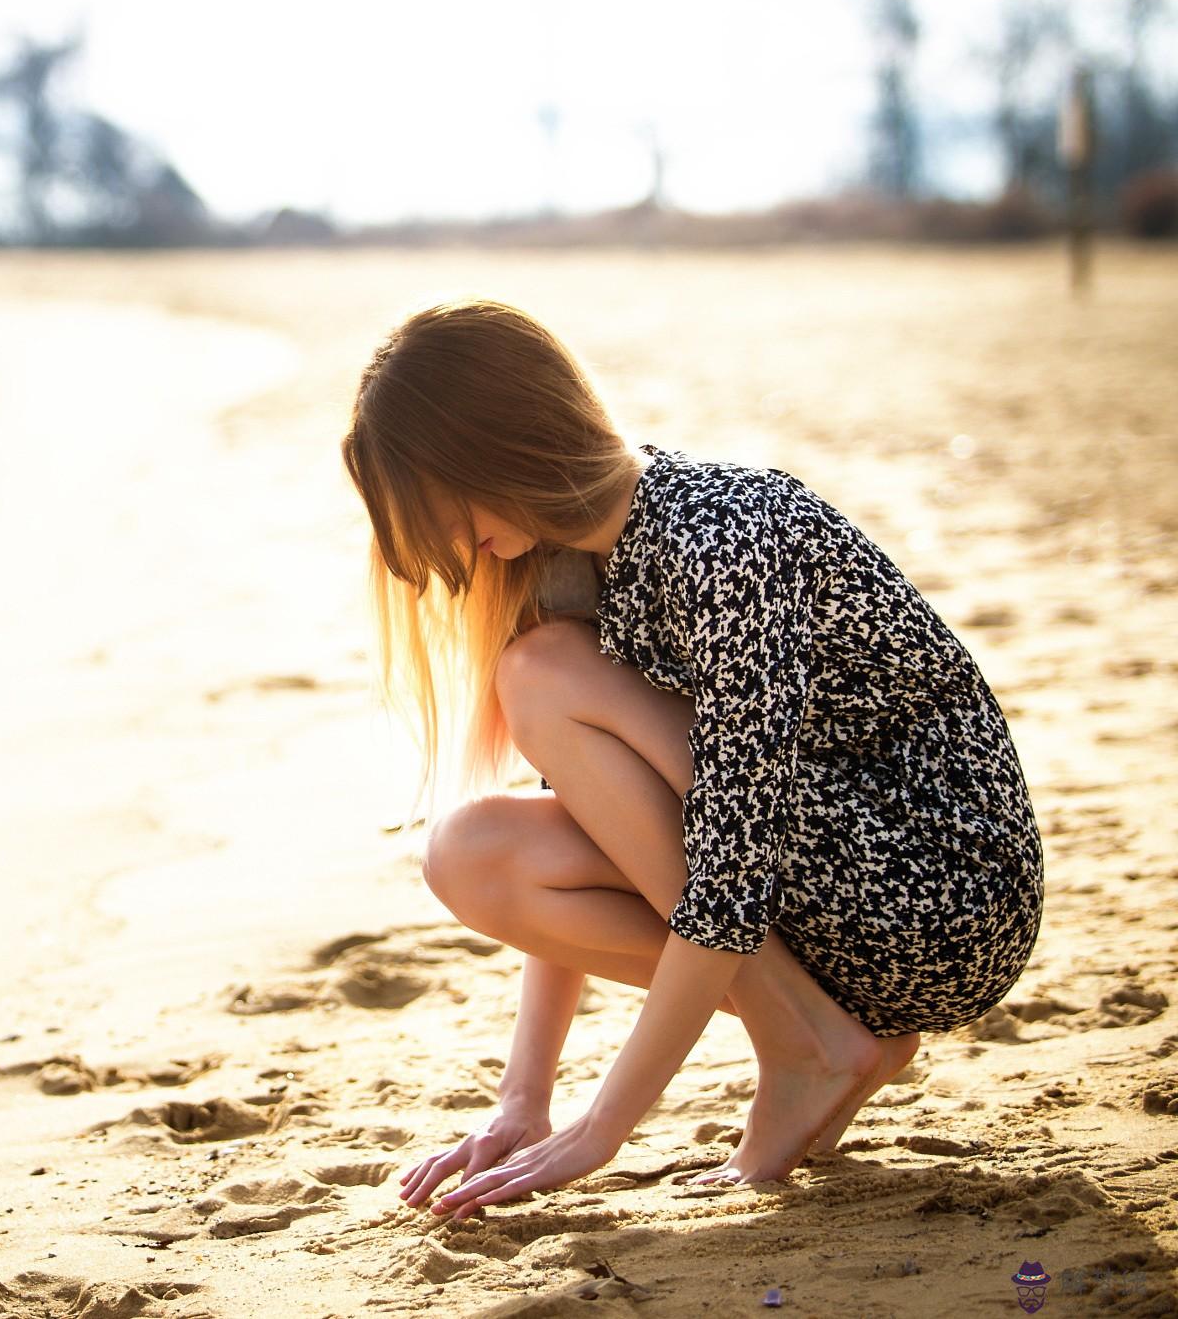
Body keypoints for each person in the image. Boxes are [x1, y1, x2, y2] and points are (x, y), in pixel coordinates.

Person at [338, 298, 1044, 1219]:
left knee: (540, 673)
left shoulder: (721, 533)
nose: (452, 552)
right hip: (821, 872)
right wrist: (525, 1096)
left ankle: (807, 1047)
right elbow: (621, 822)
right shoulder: (571, 569)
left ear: (496, 448)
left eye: (441, 510)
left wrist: (602, 1127)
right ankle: (814, 1032)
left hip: (938, 883)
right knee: (471, 854)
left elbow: (733, 862)